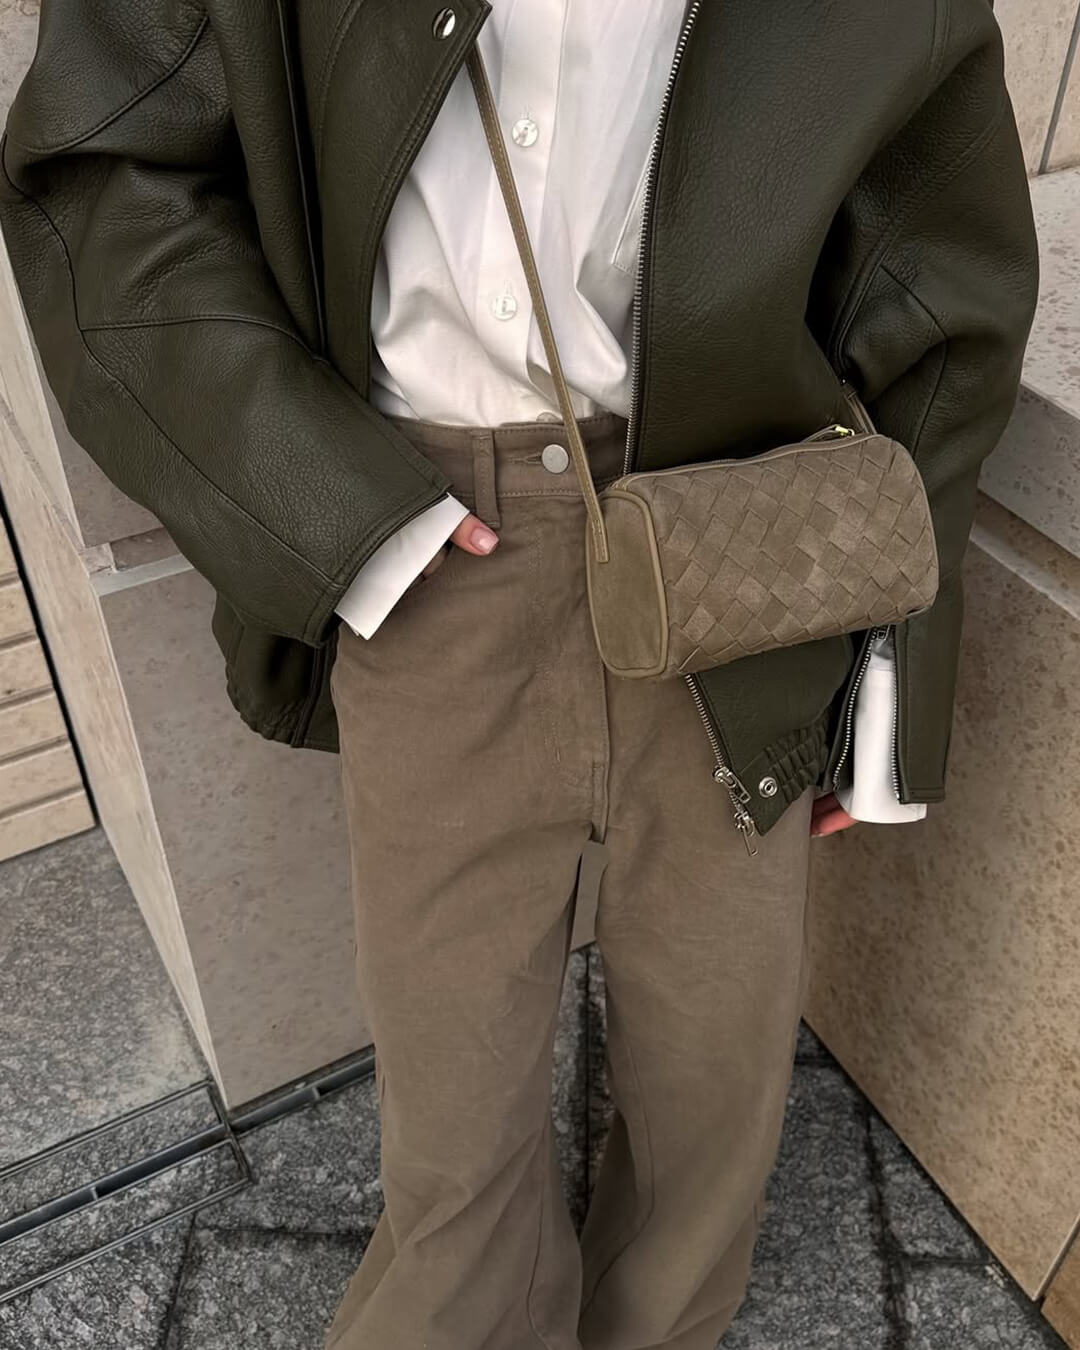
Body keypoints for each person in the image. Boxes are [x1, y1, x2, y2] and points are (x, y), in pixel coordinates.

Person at [0, 2, 1038, 1346]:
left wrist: (889, 679)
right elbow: (107, 177)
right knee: (453, 1113)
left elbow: (941, 269)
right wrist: (333, 512)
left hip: (734, 553)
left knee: (715, 1088)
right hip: (425, 550)